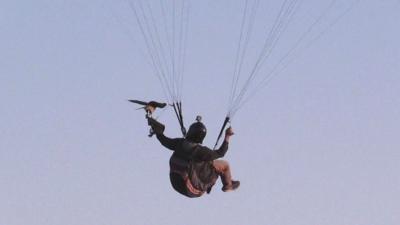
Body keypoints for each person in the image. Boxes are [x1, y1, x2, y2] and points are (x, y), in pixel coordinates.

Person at [147, 116, 240, 198]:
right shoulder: (201, 151)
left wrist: (158, 131)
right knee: (224, 165)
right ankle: (228, 185)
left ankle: (228, 181)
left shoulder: (179, 143)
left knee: (205, 163)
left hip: (175, 183)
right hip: (192, 190)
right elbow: (221, 152)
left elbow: (164, 141)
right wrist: (227, 136)